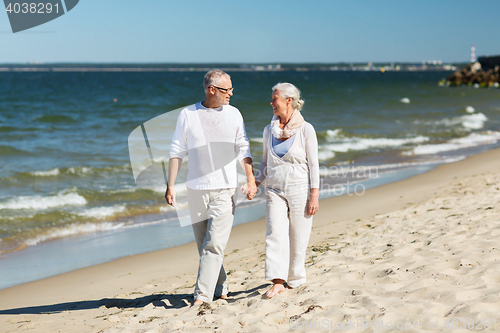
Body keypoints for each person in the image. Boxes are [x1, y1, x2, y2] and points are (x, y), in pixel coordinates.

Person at [165, 69, 257, 306]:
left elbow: (243, 148)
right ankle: (221, 286)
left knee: (214, 243)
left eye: (232, 89)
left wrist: (250, 180)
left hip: (226, 188)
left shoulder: (234, 114)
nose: (231, 94)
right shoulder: (187, 114)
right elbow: (177, 151)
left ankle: (202, 296)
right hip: (195, 190)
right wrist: (170, 185)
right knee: (204, 245)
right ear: (211, 90)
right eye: (227, 90)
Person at [252, 82, 319, 298]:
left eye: (275, 99)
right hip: (274, 190)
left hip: (300, 189)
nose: (271, 102)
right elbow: (264, 164)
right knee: (275, 234)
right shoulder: (268, 131)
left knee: (299, 236)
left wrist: (314, 196)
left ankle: (296, 279)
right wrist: (254, 184)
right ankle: (278, 281)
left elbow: (314, 165)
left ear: (288, 100)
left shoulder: (306, 129)